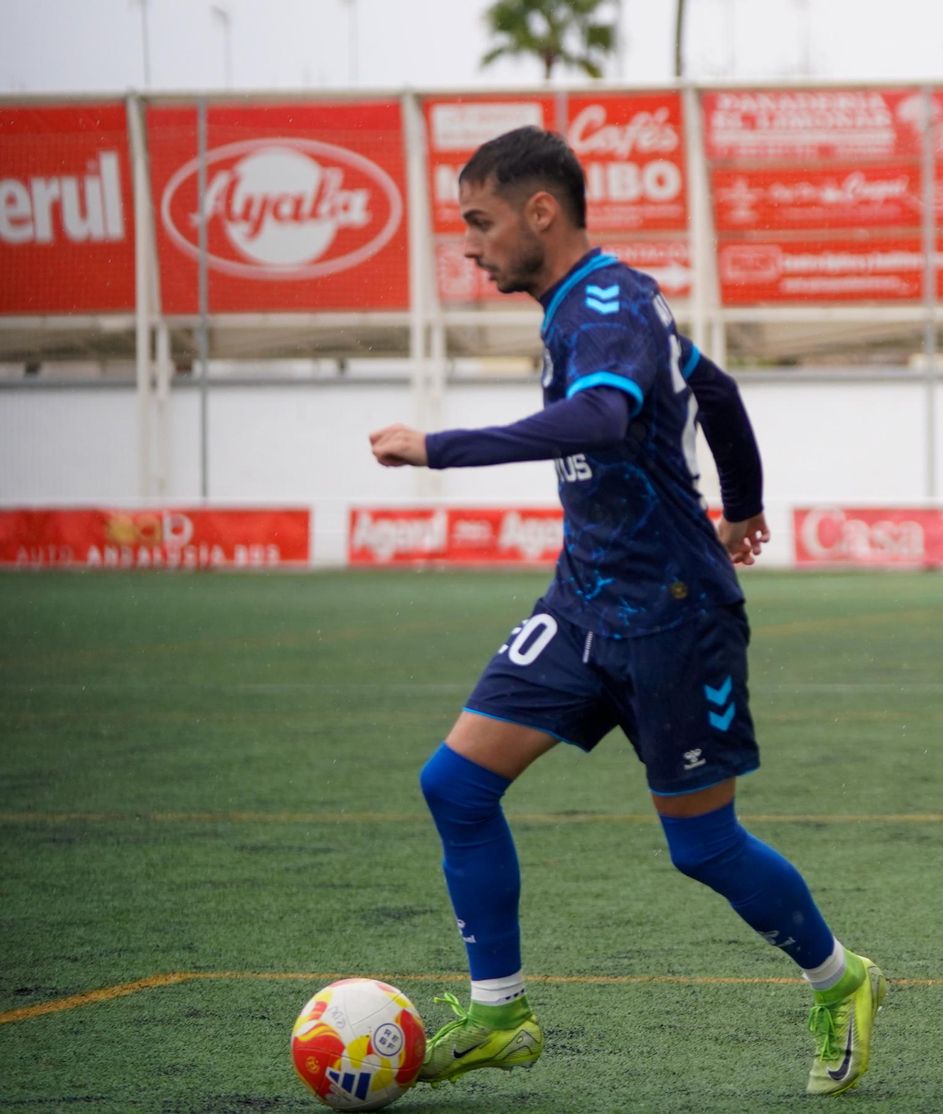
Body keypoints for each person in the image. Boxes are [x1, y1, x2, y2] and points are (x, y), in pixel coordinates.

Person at [368, 126, 885, 1096]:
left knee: (701, 846)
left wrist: (439, 447)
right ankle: (499, 1012)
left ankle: (839, 976)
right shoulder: (591, 305)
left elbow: (603, 417)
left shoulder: (605, 303)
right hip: (583, 599)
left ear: (540, 213)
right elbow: (718, 391)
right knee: (455, 783)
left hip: (674, 616)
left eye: (478, 223)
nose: (470, 246)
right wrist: (745, 503)